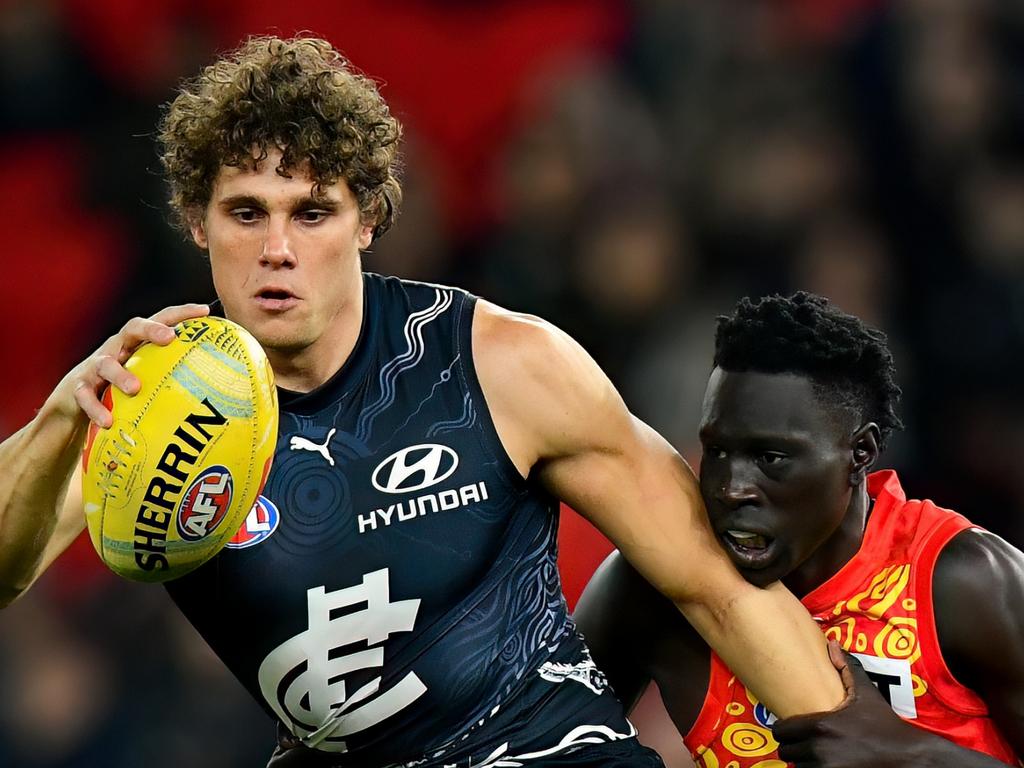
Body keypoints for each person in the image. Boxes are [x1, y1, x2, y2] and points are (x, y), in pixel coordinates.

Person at [0, 37, 844, 767]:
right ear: (195, 220)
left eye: (314, 212)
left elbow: (718, 591)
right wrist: (56, 425)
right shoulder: (149, 416)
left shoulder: (501, 364)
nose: (279, 250)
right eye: (246, 213)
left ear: (368, 219)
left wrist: (858, 751)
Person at [576, 292, 1024, 766]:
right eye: (718, 452)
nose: (732, 489)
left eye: (771, 458)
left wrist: (915, 757)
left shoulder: (966, 582)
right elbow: (537, 749)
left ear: (861, 453)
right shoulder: (652, 586)